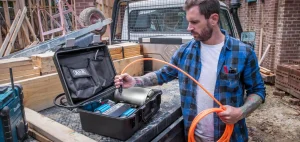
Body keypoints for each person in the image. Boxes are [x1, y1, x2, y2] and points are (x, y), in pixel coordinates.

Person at [114, 0, 266, 141]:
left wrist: (240, 112)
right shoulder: (185, 51)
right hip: (194, 136)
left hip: (232, 136)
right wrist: (136, 81)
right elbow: (164, 74)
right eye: (188, 22)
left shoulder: (242, 52)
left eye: (194, 22)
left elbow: (258, 91)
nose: (189, 28)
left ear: (213, 19)